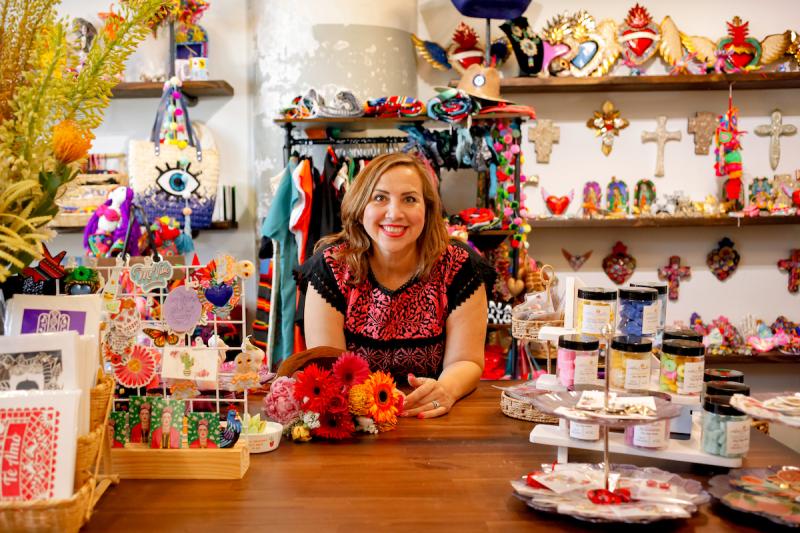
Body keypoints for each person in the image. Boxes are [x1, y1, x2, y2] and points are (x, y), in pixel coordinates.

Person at [299, 152, 494, 419]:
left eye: (410, 199)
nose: (394, 213)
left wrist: (445, 390)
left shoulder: (459, 266)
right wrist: (375, 398)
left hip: (432, 421)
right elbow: (330, 368)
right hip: (355, 421)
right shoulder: (332, 267)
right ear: (360, 206)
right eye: (380, 198)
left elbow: (466, 360)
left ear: (427, 209)